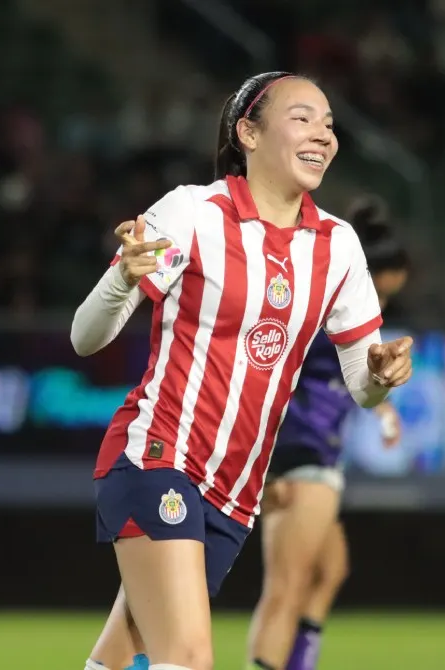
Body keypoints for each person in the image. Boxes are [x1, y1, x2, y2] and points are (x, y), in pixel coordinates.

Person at [71, 71, 415, 670]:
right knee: (187, 657)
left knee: (125, 655)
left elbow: (362, 385)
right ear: (248, 133)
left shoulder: (338, 246)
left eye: (329, 124)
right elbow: (85, 337)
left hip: (235, 491)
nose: (323, 135)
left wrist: (382, 375)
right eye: (302, 118)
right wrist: (122, 276)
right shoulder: (192, 212)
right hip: (159, 454)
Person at [246, 196, 411, 670]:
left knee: (328, 571)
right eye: (378, 293)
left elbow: (346, 379)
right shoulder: (315, 315)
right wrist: (262, 470)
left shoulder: (348, 326)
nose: (380, 306)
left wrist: (383, 408)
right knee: (286, 589)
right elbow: (264, 383)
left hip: (320, 453)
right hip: (297, 453)